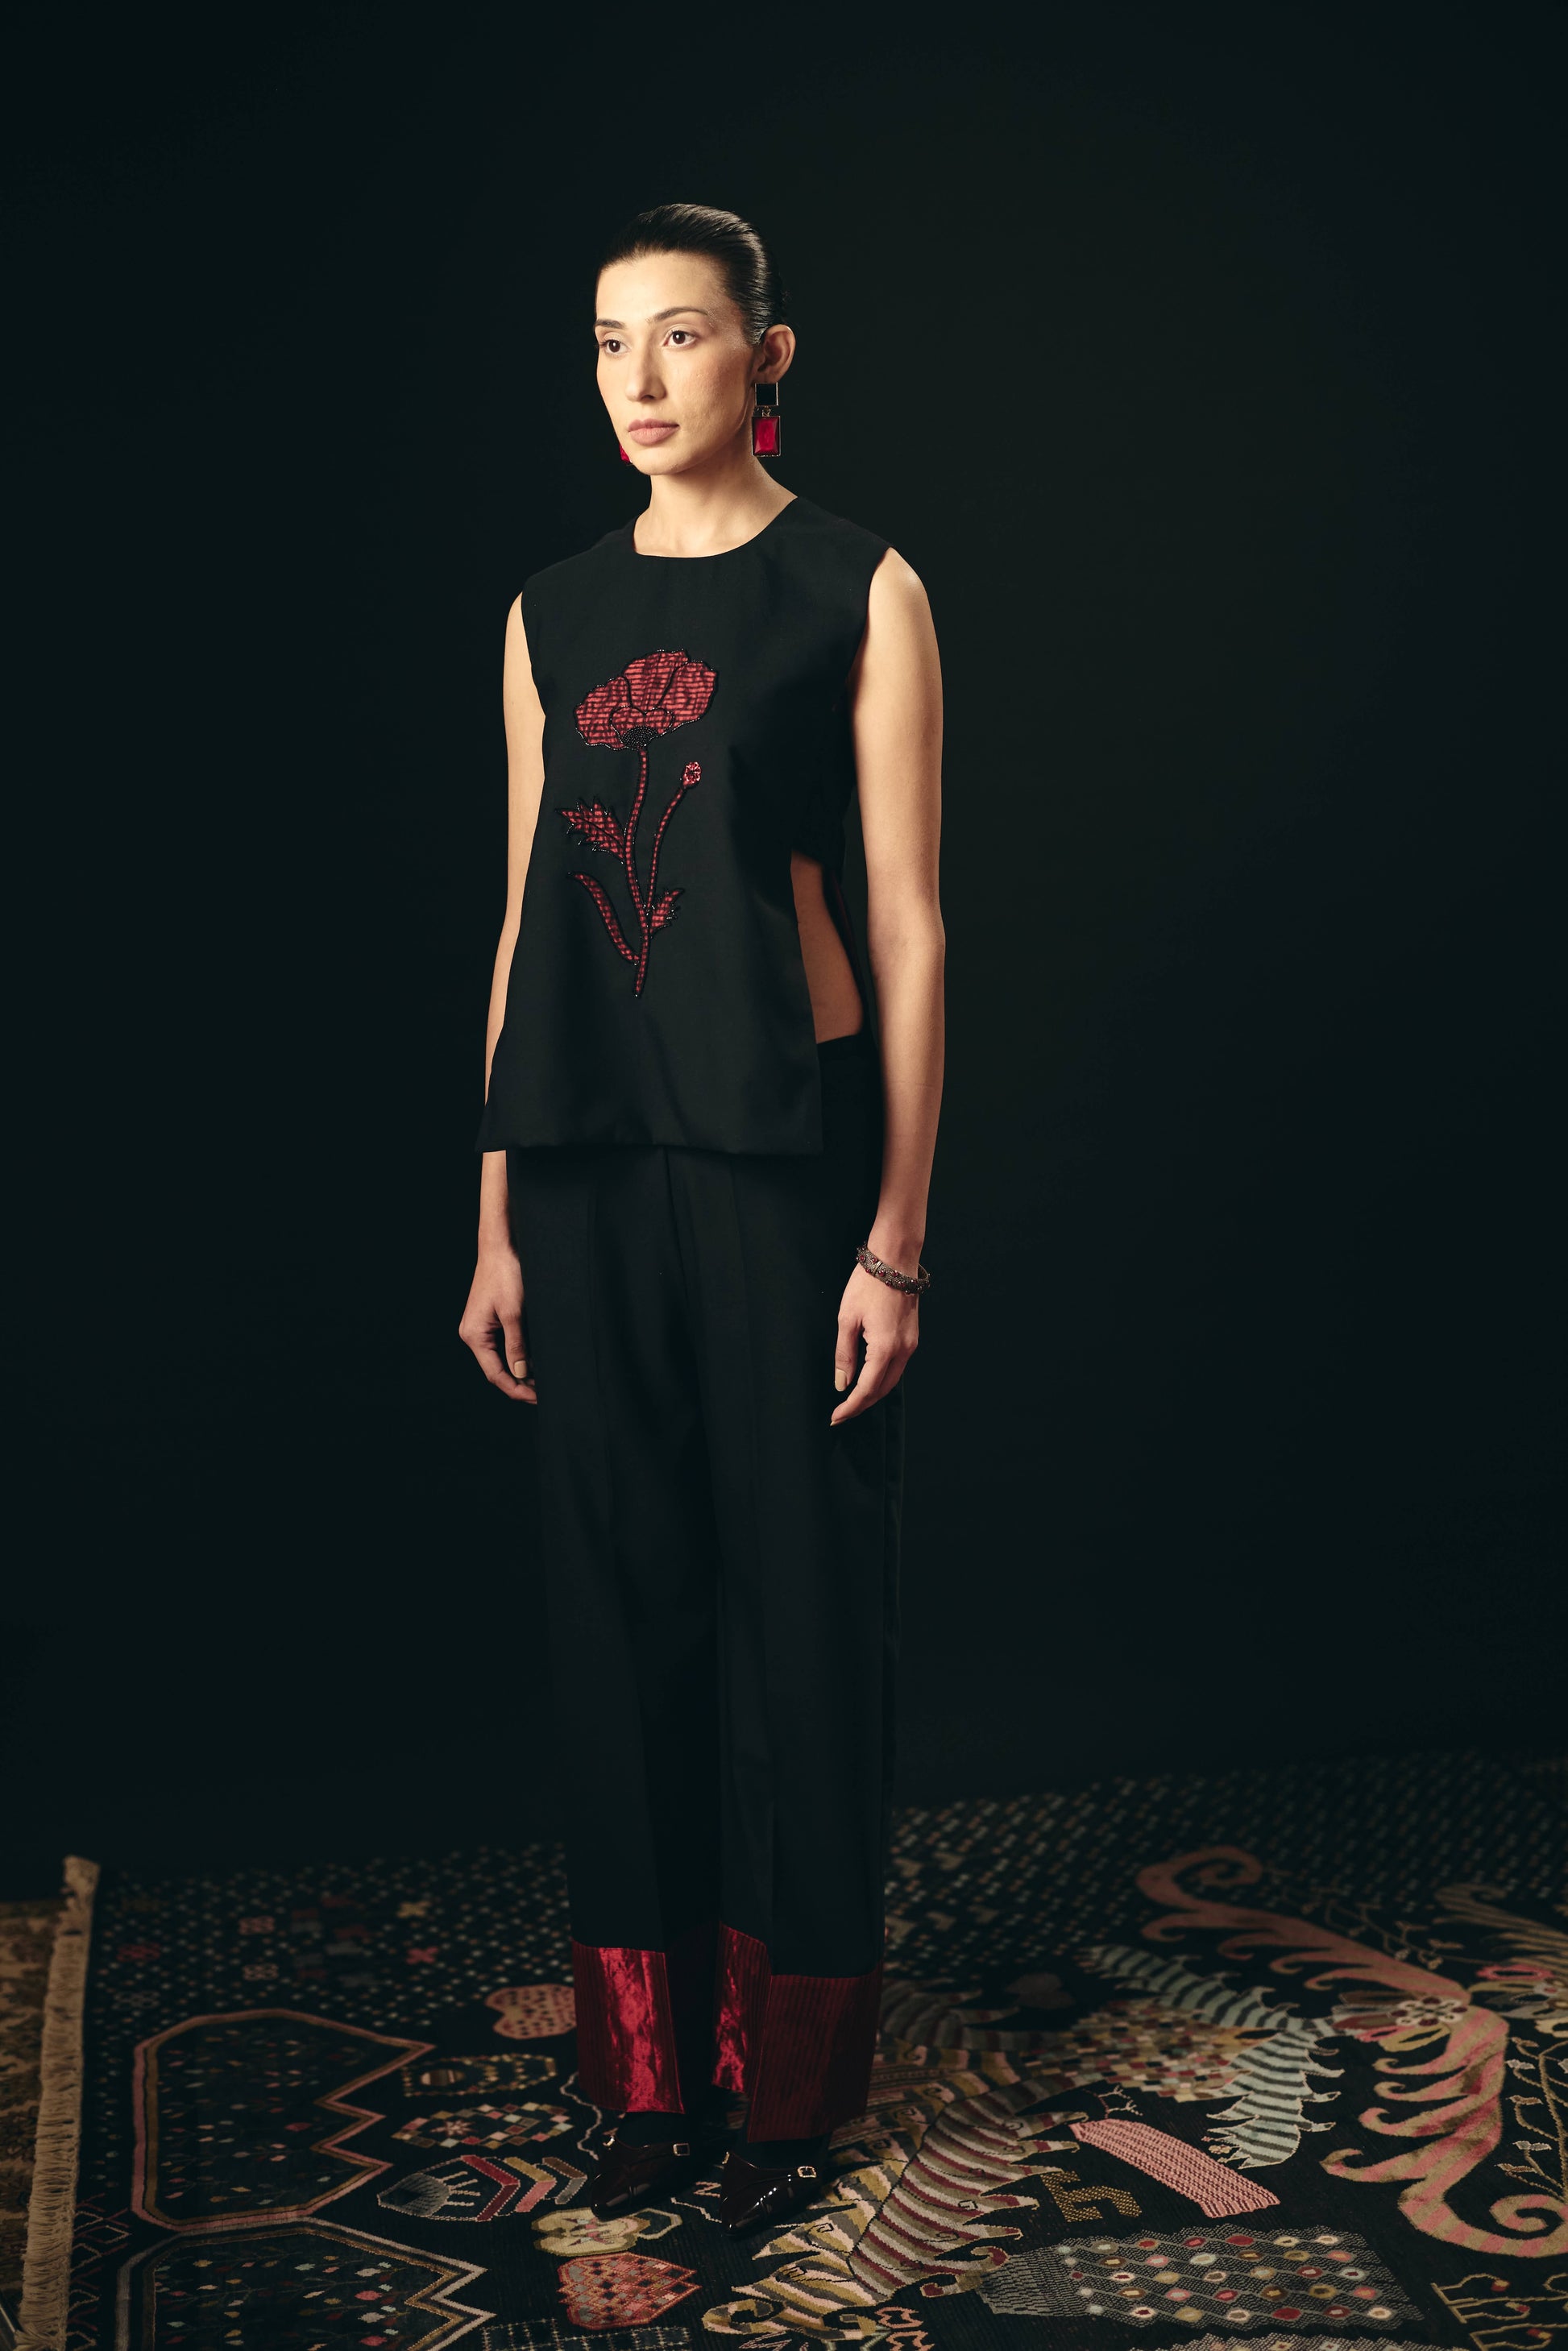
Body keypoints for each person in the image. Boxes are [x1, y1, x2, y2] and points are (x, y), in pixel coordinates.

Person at [458, 202, 944, 2235]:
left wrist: (893, 1236)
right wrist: (493, 1217)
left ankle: (791, 2088)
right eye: (606, 341)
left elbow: (909, 927)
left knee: (798, 1615)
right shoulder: (550, 611)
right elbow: (520, 923)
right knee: (620, 1603)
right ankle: (650, 2079)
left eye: (678, 335)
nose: (638, 379)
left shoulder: (858, 586)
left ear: (767, 353)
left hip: (775, 1155)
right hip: (579, 1161)